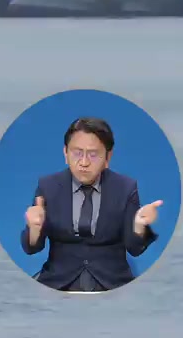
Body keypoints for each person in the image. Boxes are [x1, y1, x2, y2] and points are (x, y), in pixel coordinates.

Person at [20, 117, 164, 292]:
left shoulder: (125, 188)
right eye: (77, 153)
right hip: (58, 282)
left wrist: (139, 225)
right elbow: (31, 249)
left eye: (93, 154)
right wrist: (35, 228)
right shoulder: (48, 186)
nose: (84, 162)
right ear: (65, 153)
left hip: (112, 282)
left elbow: (135, 249)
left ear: (108, 157)